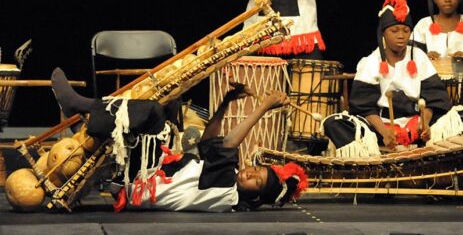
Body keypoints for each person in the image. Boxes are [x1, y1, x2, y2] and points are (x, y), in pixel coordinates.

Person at [50, 67, 308, 212]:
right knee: (172, 104)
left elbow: (229, 144)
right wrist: (226, 103)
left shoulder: (228, 193)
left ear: (255, 198)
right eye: (255, 170)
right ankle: (91, 129)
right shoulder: (225, 178)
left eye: (256, 182)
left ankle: (79, 106)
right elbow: (208, 144)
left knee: (152, 113)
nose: (249, 174)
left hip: (141, 183)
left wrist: (264, 106)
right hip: (152, 169)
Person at [321, 0, 463, 158]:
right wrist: (385, 133)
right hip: (381, 127)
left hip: (416, 122)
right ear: (383, 33)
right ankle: (372, 157)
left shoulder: (418, 56)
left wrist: (424, 124)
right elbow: (363, 106)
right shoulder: (371, 61)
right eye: (394, 30)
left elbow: (435, 98)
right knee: (333, 123)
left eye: (405, 30)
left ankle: (428, 148)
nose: (400, 35)